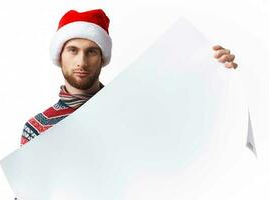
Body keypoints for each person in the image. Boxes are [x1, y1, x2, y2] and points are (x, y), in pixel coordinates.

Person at [20, 9, 238, 146]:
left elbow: (189, 129)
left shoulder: (131, 110)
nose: (81, 61)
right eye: (73, 50)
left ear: (102, 57)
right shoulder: (38, 128)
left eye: (91, 51)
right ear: (60, 55)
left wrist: (218, 72)